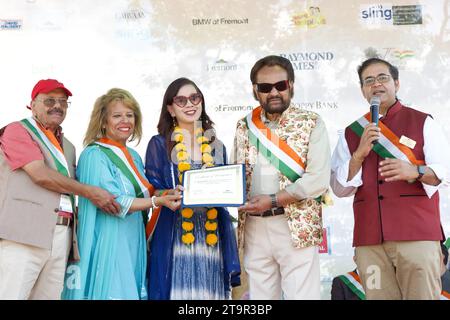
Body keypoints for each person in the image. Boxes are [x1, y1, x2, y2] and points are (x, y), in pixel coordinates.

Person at [330, 57, 450, 300]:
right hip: (370, 239)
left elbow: (443, 172)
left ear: (396, 83)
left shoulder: (423, 121)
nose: (376, 85)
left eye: (383, 78)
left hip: (417, 235)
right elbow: (338, 188)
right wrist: (358, 155)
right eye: (369, 81)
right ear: (363, 90)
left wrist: (414, 171)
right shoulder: (352, 133)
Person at [0, 79, 121, 300]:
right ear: (32, 104)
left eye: (63, 101)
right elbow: (39, 174)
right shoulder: (17, 130)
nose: (57, 105)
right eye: (49, 100)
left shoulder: (69, 147)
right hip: (23, 234)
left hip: (62, 235)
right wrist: (89, 192)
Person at [62, 88, 181, 300]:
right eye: (116, 115)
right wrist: (157, 200)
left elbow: (143, 195)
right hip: (109, 238)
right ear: (103, 122)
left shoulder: (134, 156)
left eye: (129, 115)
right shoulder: (94, 154)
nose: (124, 120)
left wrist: (166, 194)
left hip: (133, 237)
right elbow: (114, 203)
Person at [232, 55, 331, 299]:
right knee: (260, 299)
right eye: (265, 87)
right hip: (254, 224)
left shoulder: (311, 122)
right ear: (255, 91)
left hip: (295, 224)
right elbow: (234, 172)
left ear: (292, 86)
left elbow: (317, 180)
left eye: (281, 85)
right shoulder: (244, 125)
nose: (273, 92)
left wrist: (274, 200)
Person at [145, 77, 240, 300]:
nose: (190, 104)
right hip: (175, 231)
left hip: (211, 233)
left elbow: (226, 187)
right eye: (181, 100)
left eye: (194, 98)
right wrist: (169, 193)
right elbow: (151, 190)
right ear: (170, 108)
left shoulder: (216, 146)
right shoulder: (159, 144)